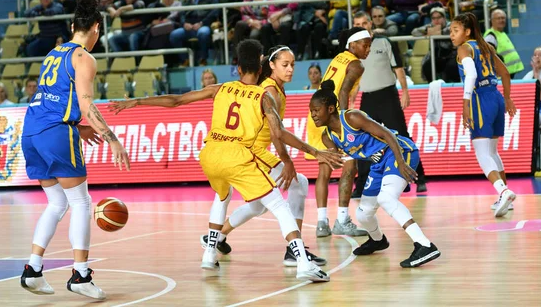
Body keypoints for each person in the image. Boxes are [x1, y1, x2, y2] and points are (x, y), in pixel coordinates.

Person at [109, 40, 342, 282]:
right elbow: (278, 132)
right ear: (264, 68)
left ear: (238, 69)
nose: (291, 68)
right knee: (279, 205)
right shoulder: (264, 95)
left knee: (226, 197)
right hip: (241, 155)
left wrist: (136, 101)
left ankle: (210, 252)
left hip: (210, 154)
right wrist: (309, 154)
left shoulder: (220, 88)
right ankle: (301, 262)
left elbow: (176, 100)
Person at [20, 0, 131, 300]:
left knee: (57, 203)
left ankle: (33, 269)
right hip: (55, 134)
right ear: (96, 27)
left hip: (31, 131)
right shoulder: (84, 57)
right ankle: (81, 274)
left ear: (72, 25)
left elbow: (55, 98)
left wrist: (78, 128)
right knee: (81, 203)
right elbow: (86, 103)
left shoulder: (53, 53)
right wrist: (112, 139)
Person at [200, 46, 326, 267]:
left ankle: (217, 237)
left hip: (254, 151)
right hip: (253, 152)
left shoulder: (275, 87)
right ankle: (293, 251)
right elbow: (277, 134)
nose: (290, 69)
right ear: (271, 66)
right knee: (299, 184)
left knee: (258, 206)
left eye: (293, 65)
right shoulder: (270, 91)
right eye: (284, 65)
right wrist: (288, 160)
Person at [310, 80, 441, 267]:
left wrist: (402, 163)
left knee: (386, 199)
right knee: (363, 214)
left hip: (400, 152)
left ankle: (424, 244)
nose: (313, 114)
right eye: (311, 110)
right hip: (378, 163)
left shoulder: (351, 118)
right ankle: (378, 240)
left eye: (316, 110)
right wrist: (330, 159)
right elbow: (340, 161)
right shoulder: (327, 137)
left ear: (330, 108)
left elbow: (388, 134)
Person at [352, 12, 428, 196]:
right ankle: (361, 185)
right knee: (362, 141)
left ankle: (419, 178)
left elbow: (399, 68)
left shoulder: (384, 42)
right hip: (367, 98)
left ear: (370, 24)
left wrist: (405, 91)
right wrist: (351, 97)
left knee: (401, 137)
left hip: (388, 96)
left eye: (364, 23)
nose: (362, 26)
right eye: (357, 24)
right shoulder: (353, 47)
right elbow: (354, 75)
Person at [306, 27, 372, 237]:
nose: (368, 49)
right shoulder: (356, 64)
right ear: (352, 45)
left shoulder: (339, 58)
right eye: (364, 44)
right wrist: (344, 122)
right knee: (350, 164)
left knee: (325, 169)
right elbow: (343, 92)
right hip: (332, 115)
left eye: (370, 44)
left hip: (316, 112)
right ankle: (342, 219)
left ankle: (321, 223)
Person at [451, 12, 517, 217]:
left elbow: (471, 75)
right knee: (492, 151)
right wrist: (507, 98)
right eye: (450, 31)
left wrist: (465, 104)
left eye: (455, 30)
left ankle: (503, 191)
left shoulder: (465, 48)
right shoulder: (486, 46)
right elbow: (505, 72)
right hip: (495, 96)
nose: (451, 35)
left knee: (482, 153)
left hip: (480, 99)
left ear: (467, 31)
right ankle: (504, 197)